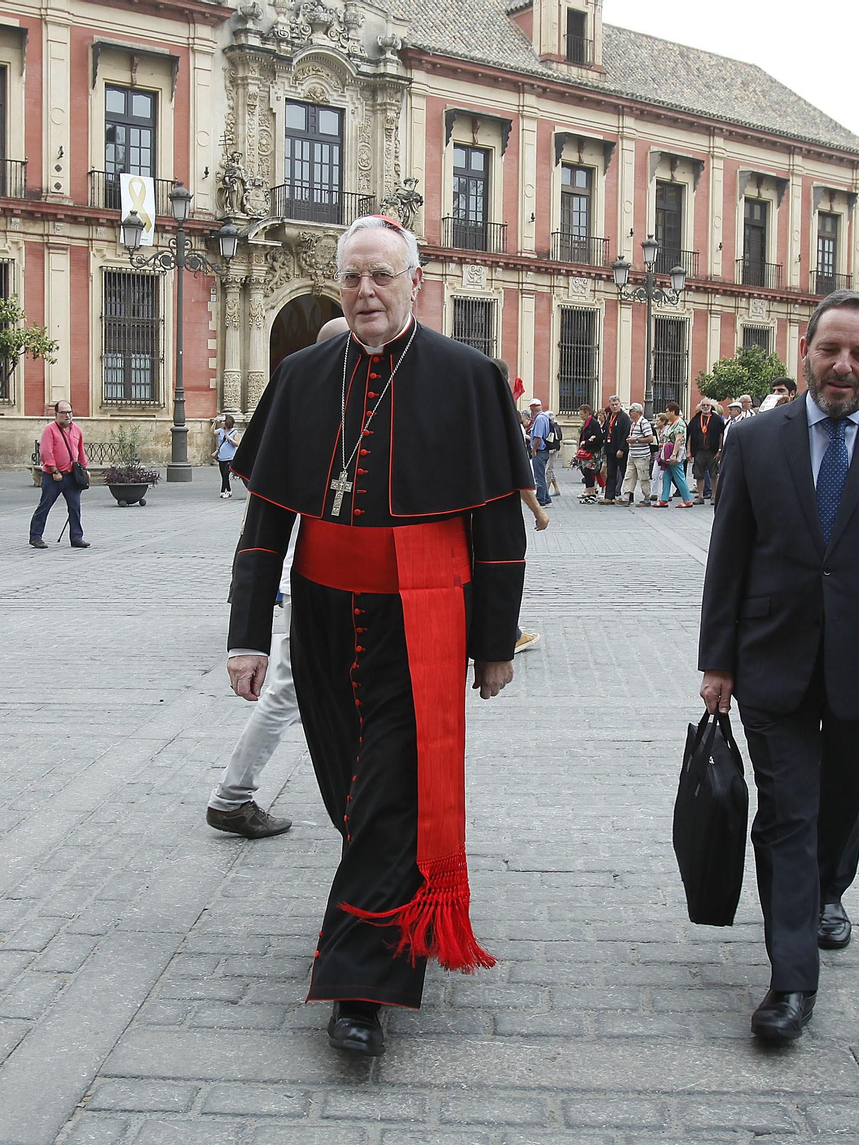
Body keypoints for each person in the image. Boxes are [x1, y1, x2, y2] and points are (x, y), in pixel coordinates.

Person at [225, 214, 530, 1057]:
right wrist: (248, 633)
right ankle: (389, 905)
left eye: (381, 277)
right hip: (324, 613)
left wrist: (494, 641)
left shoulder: (471, 377)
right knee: (352, 795)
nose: (365, 292)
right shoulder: (302, 374)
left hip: (422, 616)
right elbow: (266, 519)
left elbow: (499, 526)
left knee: (393, 793)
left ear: (413, 283)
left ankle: (360, 983)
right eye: (352, 278)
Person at [698, 289, 859, 1043]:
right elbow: (729, 558)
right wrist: (717, 660)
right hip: (771, 657)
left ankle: (829, 890)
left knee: (847, 800)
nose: (842, 366)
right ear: (806, 350)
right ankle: (790, 981)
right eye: (830, 350)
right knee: (788, 813)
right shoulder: (754, 439)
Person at [207, 319, 355, 840]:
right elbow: (261, 534)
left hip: (328, 587)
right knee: (287, 694)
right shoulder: (308, 414)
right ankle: (231, 796)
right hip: (309, 586)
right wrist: (245, 640)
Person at [30, 400, 89, 549]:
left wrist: (84, 469)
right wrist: (54, 470)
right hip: (53, 476)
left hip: (71, 476)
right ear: (56, 414)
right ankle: (35, 536)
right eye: (63, 413)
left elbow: (80, 451)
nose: (67, 415)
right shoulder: (50, 430)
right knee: (45, 505)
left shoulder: (77, 430)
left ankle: (76, 537)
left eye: (69, 412)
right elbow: (46, 452)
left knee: (75, 507)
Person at [654, 402, 693, 507]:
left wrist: (674, 454)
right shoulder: (673, 423)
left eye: (667, 411)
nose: (666, 413)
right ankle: (664, 499)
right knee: (666, 476)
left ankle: (687, 500)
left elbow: (679, 439)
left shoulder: (679, 423)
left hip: (675, 454)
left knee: (679, 476)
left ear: (672, 411)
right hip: (669, 453)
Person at [689, 399, 725, 504]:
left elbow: (721, 435)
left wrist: (719, 450)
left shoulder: (717, 419)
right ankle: (701, 496)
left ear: (711, 407)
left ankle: (714, 496)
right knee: (699, 474)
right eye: (703, 405)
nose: (705, 407)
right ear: (700, 407)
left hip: (712, 450)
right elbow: (690, 435)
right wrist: (689, 452)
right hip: (699, 450)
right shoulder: (695, 419)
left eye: (707, 405)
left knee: (714, 473)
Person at [622, 401, 656, 505]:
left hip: (642, 455)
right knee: (629, 475)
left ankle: (646, 497)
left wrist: (636, 440)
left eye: (631, 411)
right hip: (632, 454)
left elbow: (650, 438)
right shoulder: (633, 424)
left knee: (643, 477)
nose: (629, 413)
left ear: (637, 412)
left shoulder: (644, 423)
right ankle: (626, 497)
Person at [602, 396, 631, 505]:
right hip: (610, 449)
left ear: (620, 404)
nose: (614, 406)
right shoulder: (610, 416)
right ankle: (609, 496)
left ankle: (629, 496)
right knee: (611, 473)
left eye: (616, 404)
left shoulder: (624, 417)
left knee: (625, 473)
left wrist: (622, 449)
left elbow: (626, 434)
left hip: (620, 450)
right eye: (612, 405)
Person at [575, 403, 604, 503]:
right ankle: (589, 492)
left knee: (589, 472)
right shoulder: (586, 423)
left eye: (582, 414)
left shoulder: (594, 423)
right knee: (586, 472)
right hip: (587, 451)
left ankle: (592, 494)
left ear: (587, 413)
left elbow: (598, 438)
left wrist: (587, 442)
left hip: (593, 452)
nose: (581, 416)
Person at [526, 398, 553, 507]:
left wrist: (534, 450)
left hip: (540, 451)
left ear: (532, 409)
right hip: (544, 450)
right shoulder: (545, 417)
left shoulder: (539, 419)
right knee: (541, 475)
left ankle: (541, 500)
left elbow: (537, 437)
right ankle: (547, 499)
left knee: (539, 477)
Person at [215, 413, 240, 498]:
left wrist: (230, 439)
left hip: (230, 457)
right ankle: (229, 490)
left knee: (226, 474)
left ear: (227, 422)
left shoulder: (234, 432)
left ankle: (223, 491)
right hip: (221, 457)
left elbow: (237, 444)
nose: (222, 422)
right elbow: (213, 432)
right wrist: (214, 422)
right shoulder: (221, 430)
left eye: (223, 421)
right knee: (223, 475)